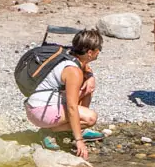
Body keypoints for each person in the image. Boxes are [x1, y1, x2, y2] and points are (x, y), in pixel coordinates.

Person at [26, 27, 104, 159]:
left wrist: (90, 77)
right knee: (91, 118)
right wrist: (79, 141)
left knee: (87, 89)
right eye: (99, 50)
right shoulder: (73, 71)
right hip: (40, 112)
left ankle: (75, 129)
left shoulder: (72, 56)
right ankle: (48, 131)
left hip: (39, 105)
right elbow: (72, 107)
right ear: (90, 53)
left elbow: (86, 69)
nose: (99, 53)